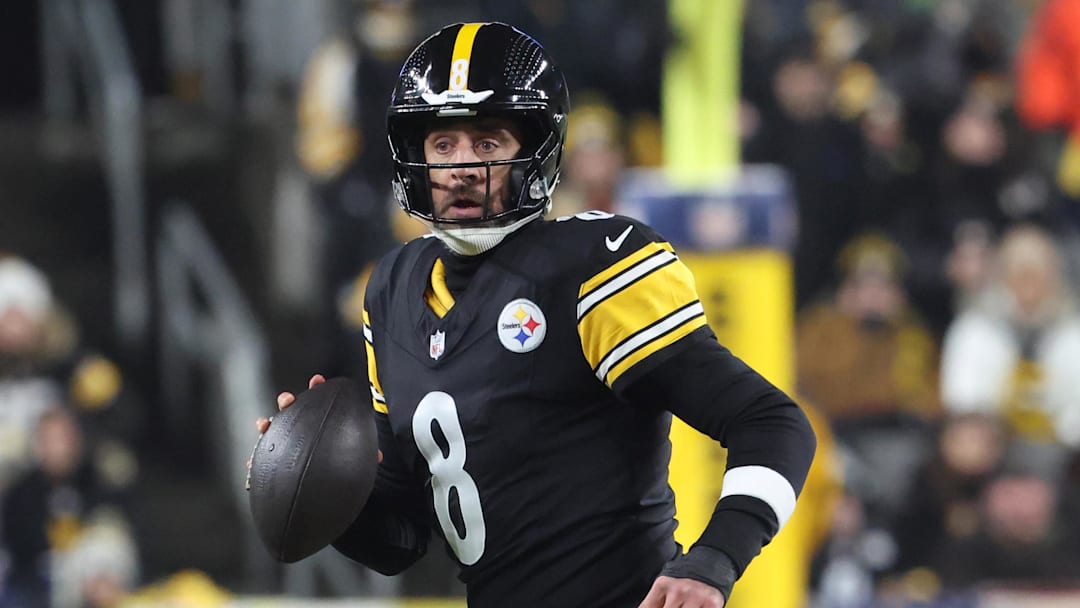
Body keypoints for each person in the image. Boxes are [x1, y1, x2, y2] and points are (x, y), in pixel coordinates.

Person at [253, 22, 816, 607]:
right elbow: (402, 538)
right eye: (443, 145)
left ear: (535, 150)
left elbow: (773, 423)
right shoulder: (393, 290)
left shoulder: (589, 268)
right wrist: (325, 488)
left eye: (488, 142)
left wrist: (716, 558)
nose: (464, 166)